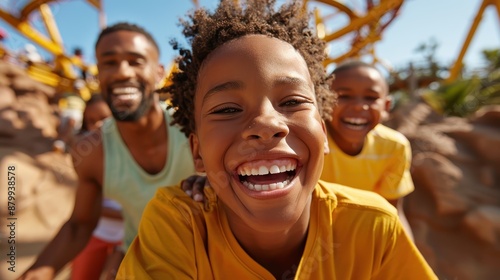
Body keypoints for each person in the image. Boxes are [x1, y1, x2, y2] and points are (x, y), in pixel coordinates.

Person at [116, 1, 437, 279]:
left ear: (323, 135)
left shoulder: (374, 227)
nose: (266, 124)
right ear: (197, 154)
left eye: (292, 102)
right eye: (228, 108)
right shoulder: (178, 223)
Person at [19, 22, 198, 280]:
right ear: (98, 74)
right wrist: (37, 272)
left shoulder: (194, 128)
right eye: (109, 63)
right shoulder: (91, 152)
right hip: (143, 260)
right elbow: (80, 226)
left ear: (159, 72)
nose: (122, 72)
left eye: (135, 61)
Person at [321, 60, 415, 240]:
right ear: (323, 100)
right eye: (344, 96)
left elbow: (393, 212)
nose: (358, 106)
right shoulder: (312, 141)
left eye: (371, 98)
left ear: (386, 107)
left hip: (362, 236)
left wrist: (408, 260)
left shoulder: (394, 147)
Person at [68, 93, 124, 280]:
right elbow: (85, 209)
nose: (97, 125)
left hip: (128, 238)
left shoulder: (142, 154)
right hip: (96, 234)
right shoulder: (88, 159)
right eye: (91, 121)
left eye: (104, 118)